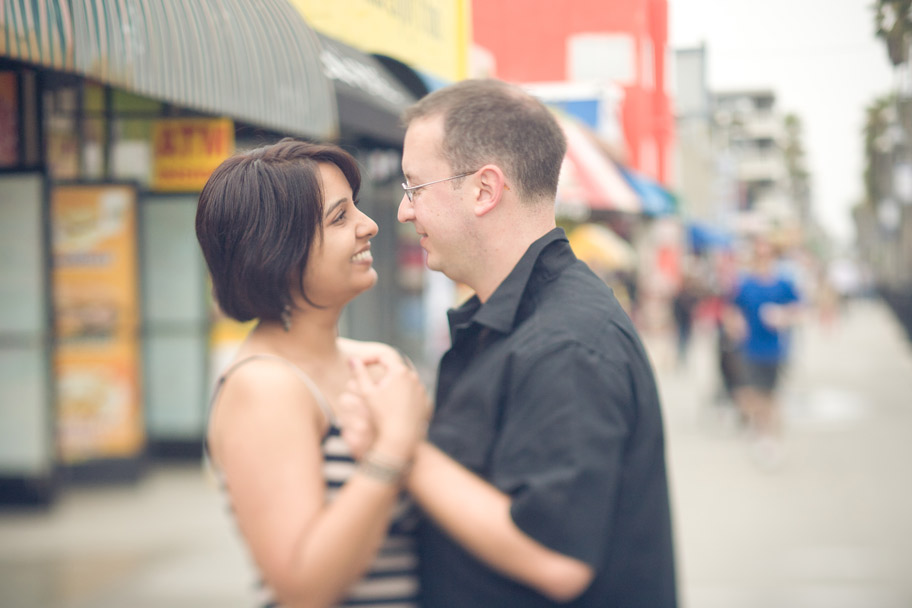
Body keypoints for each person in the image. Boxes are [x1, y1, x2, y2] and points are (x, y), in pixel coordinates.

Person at [343, 79, 678, 607]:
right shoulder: (520, 321)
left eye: (415, 188)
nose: (404, 212)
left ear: (484, 189)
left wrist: (402, 447)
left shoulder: (565, 343)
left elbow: (556, 558)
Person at [195, 139, 430, 608]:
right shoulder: (265, 387)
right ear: (276, 251)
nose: (369, 226)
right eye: (339, 217)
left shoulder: (374, 363)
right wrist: (392, 448)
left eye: (355, 209)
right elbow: (304, 589)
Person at [724, 235, 802, 465]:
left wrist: (783, 316)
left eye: (766, 254)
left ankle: (770, 438)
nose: (762, 258)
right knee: (752, 395)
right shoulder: (746, 284)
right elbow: (731, 311)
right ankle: (761, 432)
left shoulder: (784, 284)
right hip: (750, 348)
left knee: (771, 396)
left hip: (775, 349)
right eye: (758, 254)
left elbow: (799, 310)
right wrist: (735, 325)